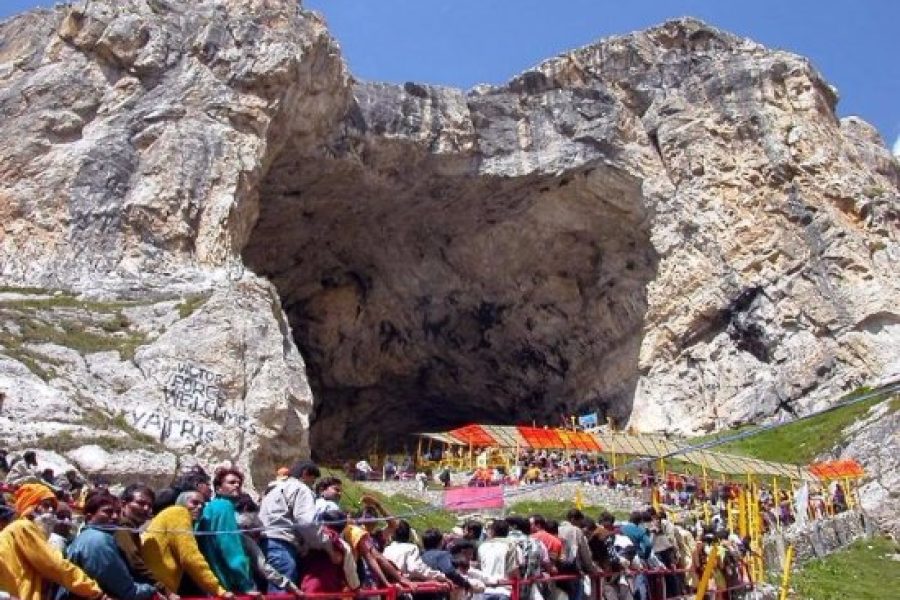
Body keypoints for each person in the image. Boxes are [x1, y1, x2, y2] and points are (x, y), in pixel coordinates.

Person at [0, 483, 109, 600]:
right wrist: (95, 591)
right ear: (31, 506)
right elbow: (54, 565)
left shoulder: (22, 530)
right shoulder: (23, 527)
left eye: (53, 508)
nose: (51, 511)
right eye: (46, 505)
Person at [62, 490, 157, 600]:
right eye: (108, 512)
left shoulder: (88, 536)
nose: (115, 516)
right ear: (89, 517)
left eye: (117, 512)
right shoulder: (98, 541)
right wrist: (153, 589)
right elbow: (127, 591)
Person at [141, 490, 232, 598]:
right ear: (181, 503)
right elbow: (190, 557)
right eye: (194, 502)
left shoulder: (170, 515)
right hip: (155, 588)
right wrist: (217, 589)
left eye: (202, 505)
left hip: (153, 584)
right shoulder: (179, 512)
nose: (199, 507)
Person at [258, 460, 322, 589]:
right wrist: (320, 542)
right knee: (282, 590)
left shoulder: (272, 490)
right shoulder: (301, 489)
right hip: (283, 545)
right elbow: (306, 521)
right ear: (305, 474)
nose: (313, 485)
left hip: (264, 543)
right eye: (313, 480)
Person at [197, 468, 255, 594]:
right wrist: (246, 584)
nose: (237, 486)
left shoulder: (211, 507)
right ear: (218, 489)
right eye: (231, 482)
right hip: (229, 582)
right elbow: (230, 547)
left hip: (213, 581)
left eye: (239, 483)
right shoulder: (224, 507)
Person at [114, 484, 177, 599]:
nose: (146, 509)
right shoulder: (124, 527)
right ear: (124, 504)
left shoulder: (132, 529)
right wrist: (165, 590)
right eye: (141, 503)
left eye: (149, 505)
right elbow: (135, 562)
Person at [300, 510, 350, 594]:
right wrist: (355, 587)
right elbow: (348, 570)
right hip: (331, 591)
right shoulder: (341, 545)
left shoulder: (313, 539)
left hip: (310, 587)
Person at [477, 519, 522, 600]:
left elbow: (479, 568)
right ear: (507, 531)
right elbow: (513, 570)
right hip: (504, 590)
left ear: (493, 531)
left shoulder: (482, 546)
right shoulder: (511, 545)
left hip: (485, 589)